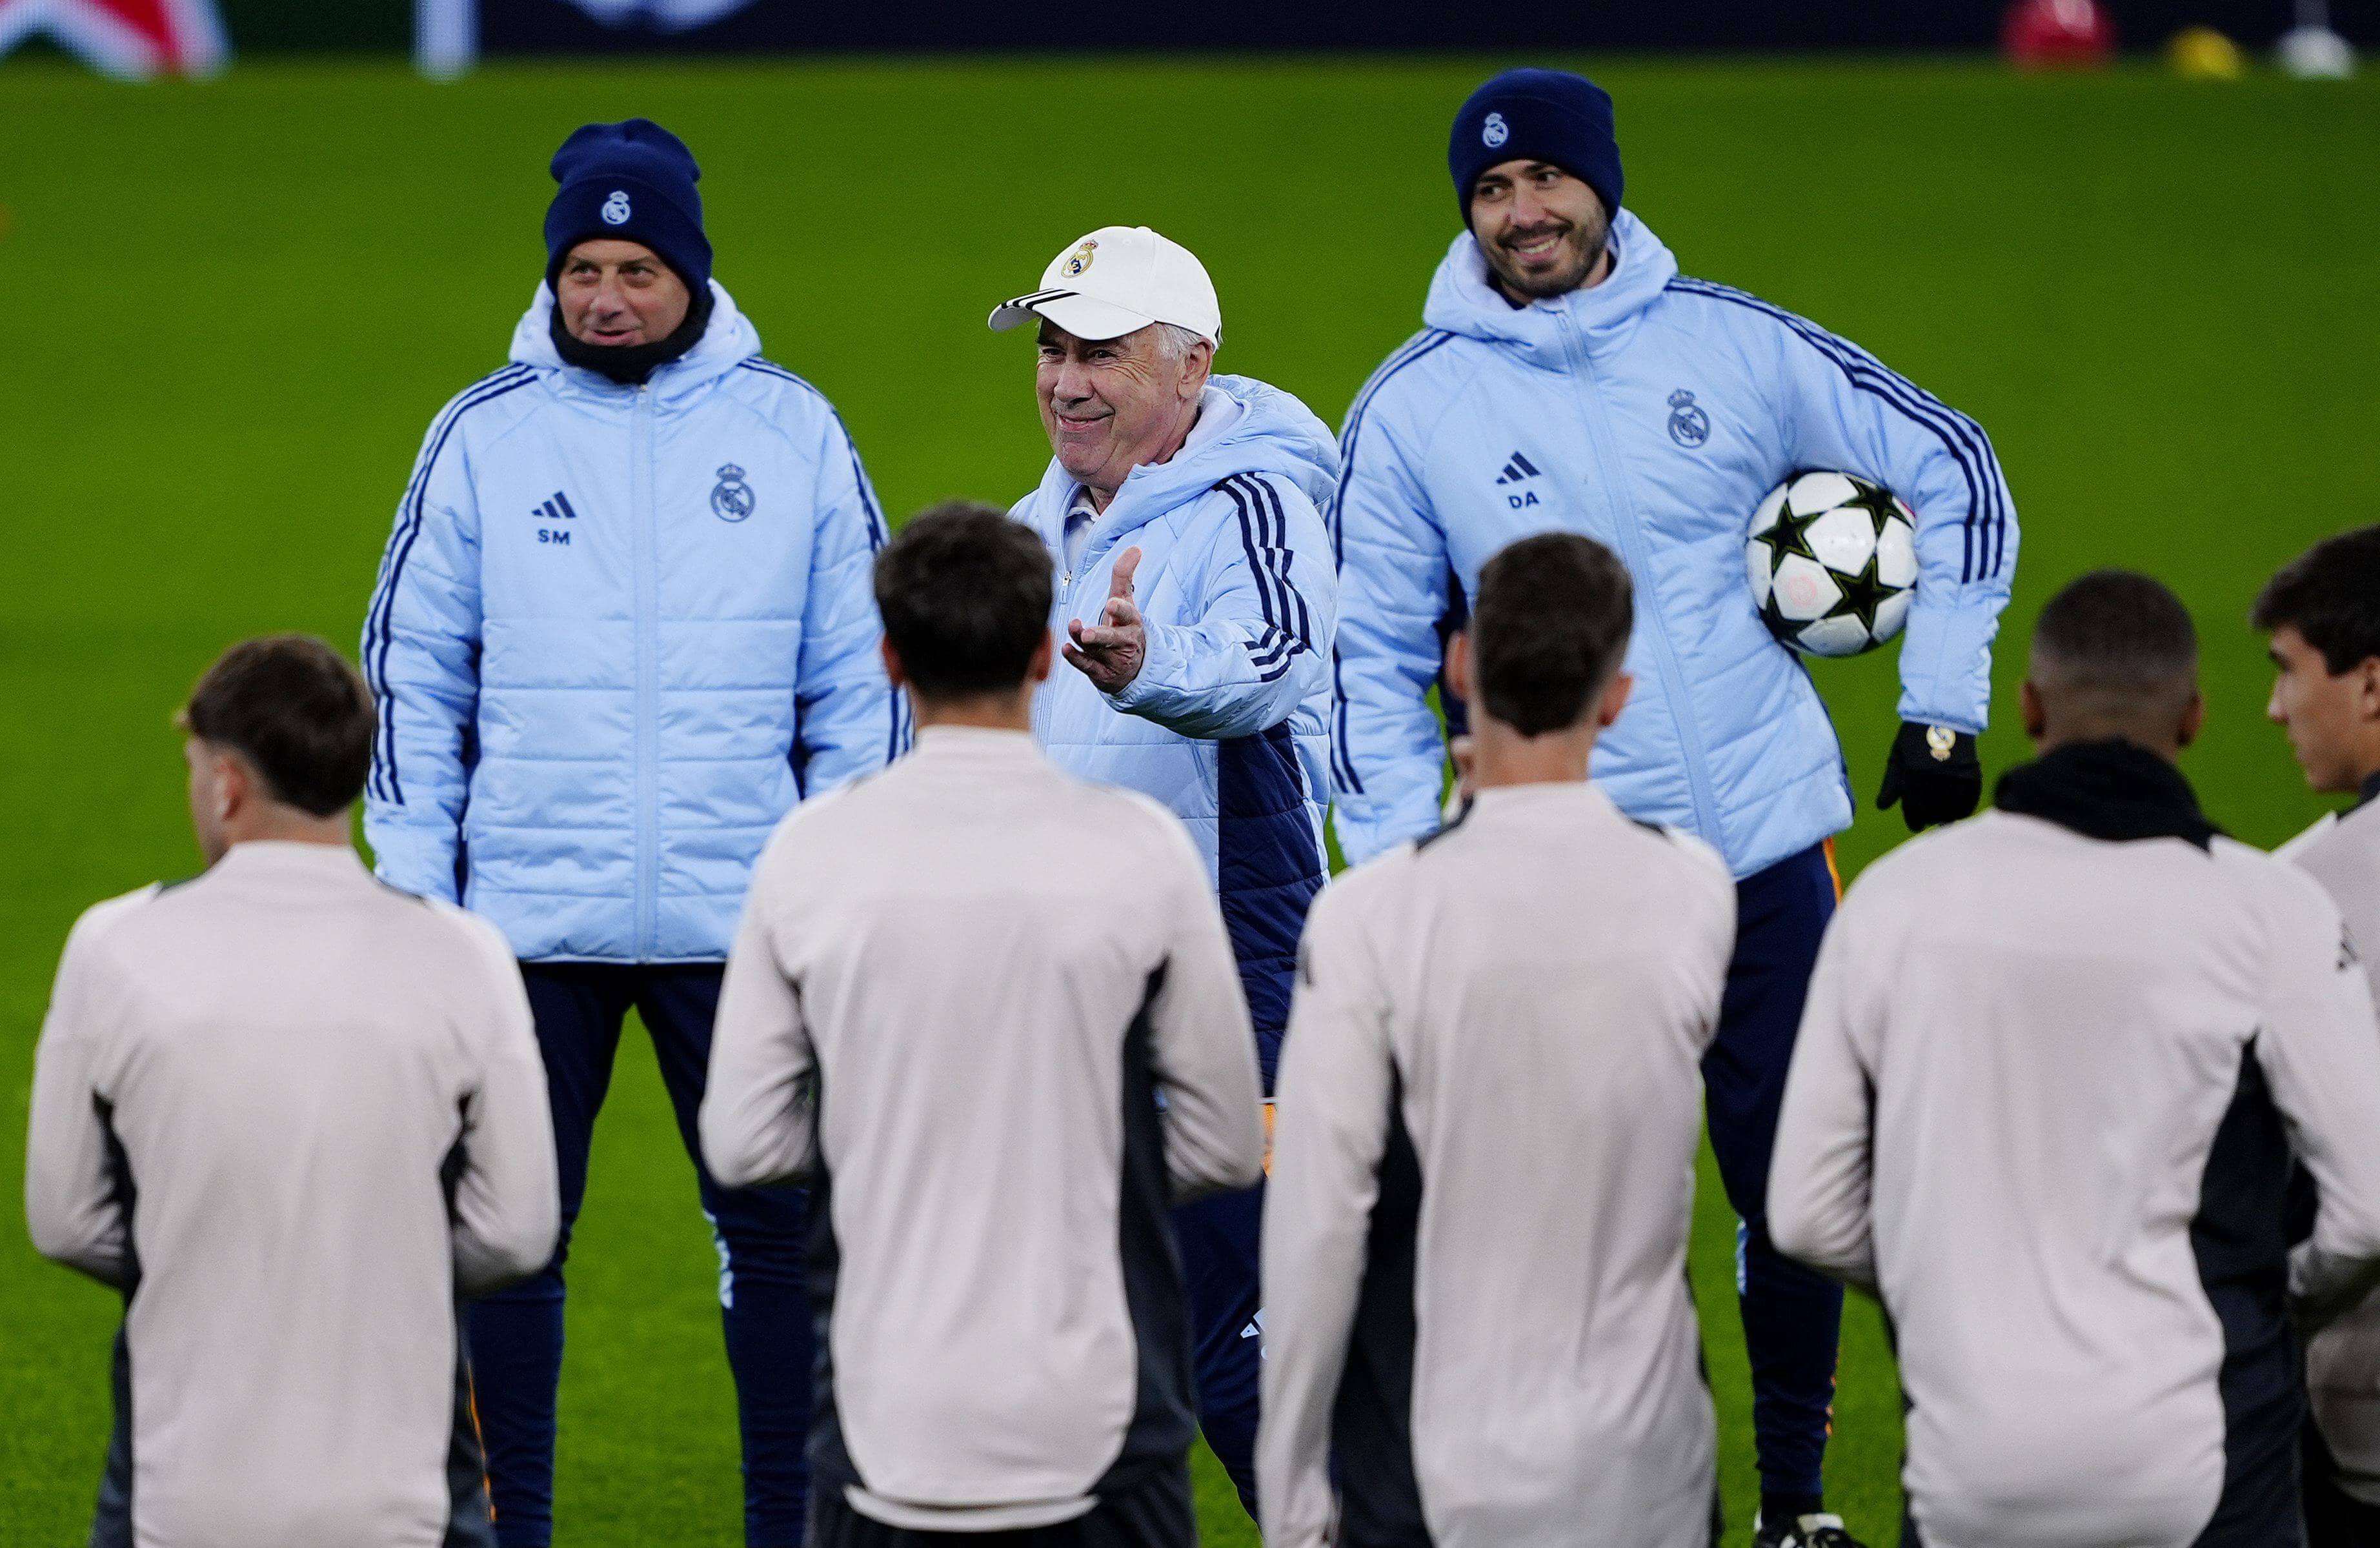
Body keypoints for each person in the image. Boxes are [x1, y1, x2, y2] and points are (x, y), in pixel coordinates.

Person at [1326, 67, 2019, 1547]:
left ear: (1604, 184)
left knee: (1802, 1203)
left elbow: (1955, 465)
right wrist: (1399, 872)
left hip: (1768, 850)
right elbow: (1363, 658)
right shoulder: (1410, 413)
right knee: (1576, 1221)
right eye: (1492, 192)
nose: (1524, 212)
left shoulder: (1736, 347)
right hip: (1561, 878)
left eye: (1546, 182)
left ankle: (1788, 1512)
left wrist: (1941, 702)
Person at [361, 118, 901, 1548]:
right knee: (509, 1247)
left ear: (694, 278)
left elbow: (861, 678)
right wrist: (420, 900)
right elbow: (412, 675)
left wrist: (835, 879)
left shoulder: (793, 429)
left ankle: (786, 1529)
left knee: (781, 1245)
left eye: (637, 270)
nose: (605, 297)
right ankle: (503, 1533)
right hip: (523, 933)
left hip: (746, 927)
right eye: (583, 270)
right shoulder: (481, 433)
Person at [1770, 570, 2380, 1548]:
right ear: (2191, 718)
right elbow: (2368, 1209)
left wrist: (1947, 1280)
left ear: (2028, 707)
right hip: (2209, 1456)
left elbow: (1805, 1208)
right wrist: (2265, 1298)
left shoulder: (1898, 902)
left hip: (1975, 1467)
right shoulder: (2274, 913)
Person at [700, 501, 1266, 1547]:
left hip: (887, 1426)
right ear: (1047, 654)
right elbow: (1226, 1139)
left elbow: (742, 1139)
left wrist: (898, 1147)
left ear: (888, 659)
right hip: (1099, 1425)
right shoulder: (1138, 852)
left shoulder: (813, 854)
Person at [25, 636, 558, 1548]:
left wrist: (205, 1247)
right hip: (404, 1500)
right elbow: (517, 1227)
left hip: (181, 1495)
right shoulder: (463, 956)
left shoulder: (114, 947)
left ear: (227, 783)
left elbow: (66, 1219)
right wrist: (375, 1260)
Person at [1259, 533, 1731, 1548]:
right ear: (1616, 696)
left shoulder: (1374, 917)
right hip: (1651, 1472)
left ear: (1461, 666)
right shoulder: (1696, 892)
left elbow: (1316, 1226)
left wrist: (1293, 1486)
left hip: (1438, 1476)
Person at [986, 224, 1340, 1507]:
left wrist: (1153, 669)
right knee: (1080, 1353)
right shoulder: (1035, 531)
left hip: (1227, 982)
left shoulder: (1259, 500)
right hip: (1066, 988)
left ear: (1191, 368)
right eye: (1051, 350)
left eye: (1102, 355)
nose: (1066, 382)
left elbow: (1274, 663)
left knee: (1244, 1345)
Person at [2256, 526, 2380, 1544]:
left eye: (2289, 672)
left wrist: (2276, 1304)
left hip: (2354, 1440)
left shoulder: (2296, 897)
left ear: (2372, 684)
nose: (2276, 708)